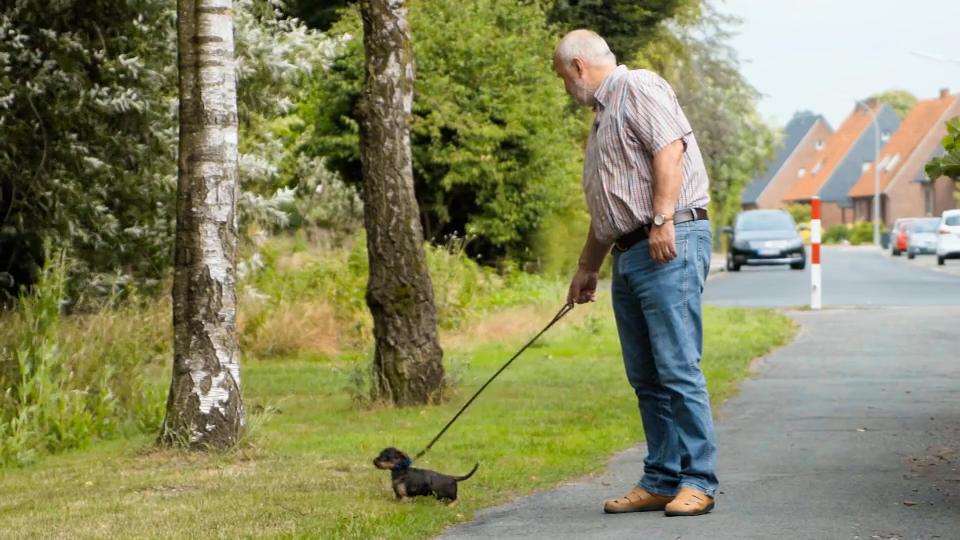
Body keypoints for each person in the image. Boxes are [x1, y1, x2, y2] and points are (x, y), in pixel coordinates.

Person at [555, 29, 718, 517]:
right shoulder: (603, 117)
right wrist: (589, 266)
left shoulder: (637, 87)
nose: (566, 88)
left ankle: (698, 480)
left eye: (563, 78)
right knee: (646, 375)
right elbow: (612, 206)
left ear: (578, 67)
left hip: (668, 242)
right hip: (629, 251)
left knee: (677, 367)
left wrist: (664, 218)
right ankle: (663, 479)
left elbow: (671, 148)